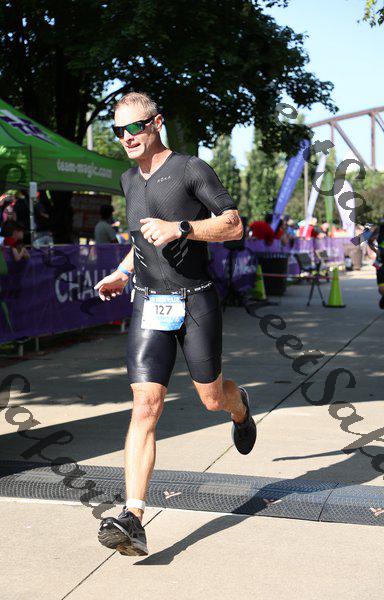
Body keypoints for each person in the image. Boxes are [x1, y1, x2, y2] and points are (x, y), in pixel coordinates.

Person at [94, 92, 257, 556]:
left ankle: (240, 406)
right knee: (145, 406)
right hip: (149, 303)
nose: (127, 137)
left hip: (195, 300)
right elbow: (142, 241)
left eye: (135, 127)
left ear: (156, 123)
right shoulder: (128, 179)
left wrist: (182, 227)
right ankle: (133, 517)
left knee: (211, 398)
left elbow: (234, 225)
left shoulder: (191, 169)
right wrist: (122, 271)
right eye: (119, 130)